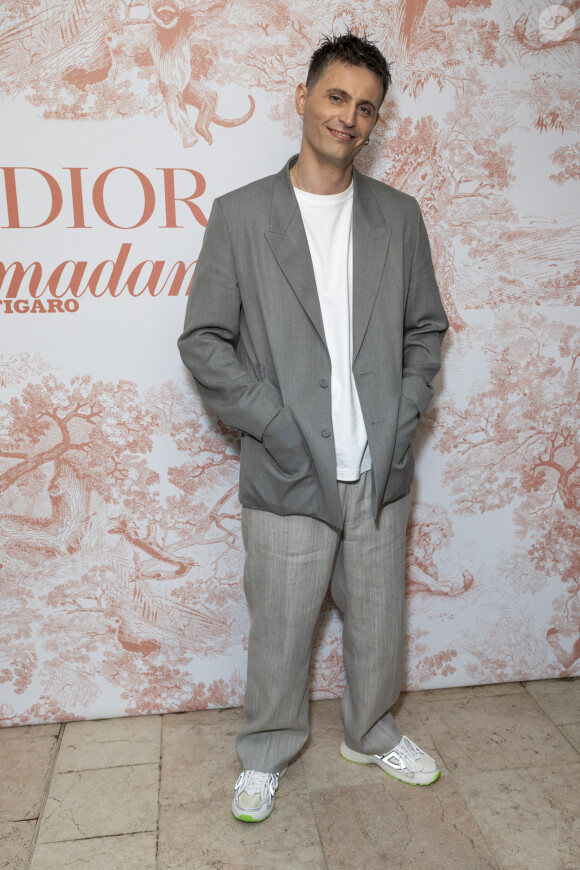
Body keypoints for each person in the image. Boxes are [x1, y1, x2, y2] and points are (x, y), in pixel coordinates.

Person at [178, 31, 449, 823]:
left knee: (378, 623)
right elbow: (204, 339)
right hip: (286, 469)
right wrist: (271, 422)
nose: (349, 117)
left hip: (380, 468)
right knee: (281, 630)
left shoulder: (399, 218)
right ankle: (265, 753)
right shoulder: (240, 216)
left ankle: (370, 732)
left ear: (374, 122)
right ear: (303, 98)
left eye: (366, 107)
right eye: (337, 97)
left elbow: (425, 329)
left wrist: (404, 411)